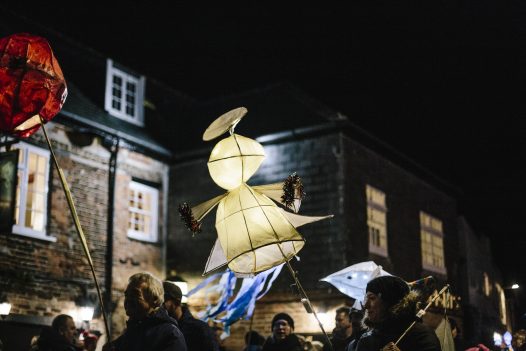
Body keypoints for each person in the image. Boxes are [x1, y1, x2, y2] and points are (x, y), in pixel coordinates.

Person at [102, 272, 187, 351]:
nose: (128, 300)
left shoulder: (170, 335)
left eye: (135, 294)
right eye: (126, 295)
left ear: (154, 299)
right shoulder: (131, 334)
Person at [354, 275, 441, 351]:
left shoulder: (421, 335)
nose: (365, 305)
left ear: (390, 301)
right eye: (366, 298)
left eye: (372, 298)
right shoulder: (366, 340)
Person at [163, 280, 218, 351]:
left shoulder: (200, 330)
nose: (158, 306)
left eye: (163, 301)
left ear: (176, 302)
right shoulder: (159, 329)